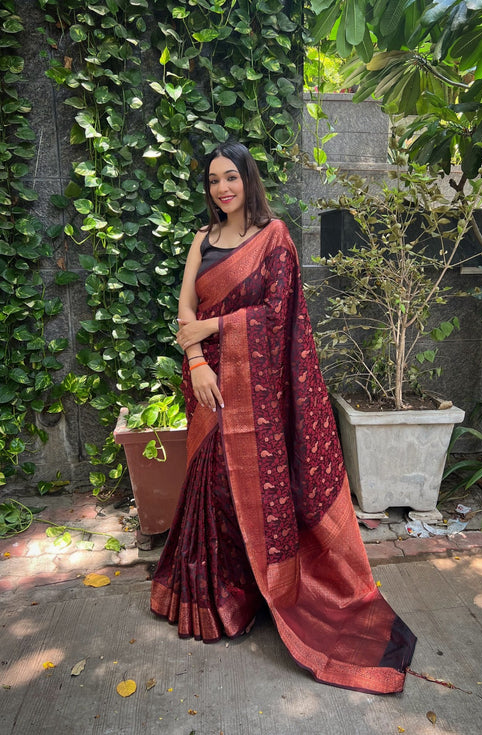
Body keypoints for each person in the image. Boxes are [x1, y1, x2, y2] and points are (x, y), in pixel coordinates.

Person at [150, 141, 416, 693]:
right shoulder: (202, 241)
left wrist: (215, 328)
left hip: (257, 391)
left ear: (248, 179)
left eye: (231, 177)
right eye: (213, 181)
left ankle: (258, 592)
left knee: (244, 488)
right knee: (212, 486)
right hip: (210, 383)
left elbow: (279, 316)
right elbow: (184, 310)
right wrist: (197, 359)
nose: (222, 189)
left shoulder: (275, 239)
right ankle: (217, 600)